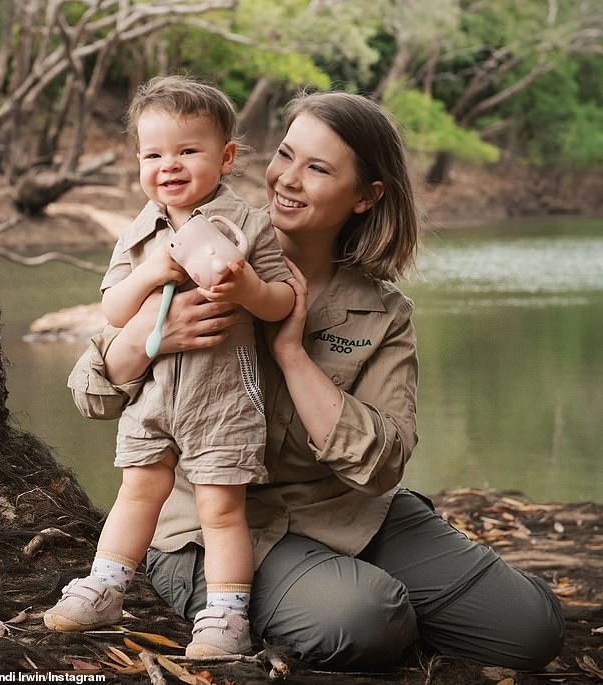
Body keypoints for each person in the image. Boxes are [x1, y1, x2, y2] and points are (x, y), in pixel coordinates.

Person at [63, 90, 564, 672]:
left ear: (366, 196)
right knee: (366, 618)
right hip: (213, 525)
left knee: (531, 630)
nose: (287, 180)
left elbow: (383, 462)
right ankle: (296, 600)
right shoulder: (214, 249)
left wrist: (292, 353)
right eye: (285, 154)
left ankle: (352, 592)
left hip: (346, 511)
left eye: (318, 168)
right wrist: (152, 334)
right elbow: (91, 394)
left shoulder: (383, 313)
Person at [43, 76, 295, 658]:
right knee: (137, 490)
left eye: (187, 151)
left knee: (220, 506)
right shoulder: (139, 233)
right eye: (154, 154)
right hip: (151, 395)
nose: (169, 166)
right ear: (138, 162)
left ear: (226, 157)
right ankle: (107, 584)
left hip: (223, 395)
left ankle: (226, 615)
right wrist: (153, 271)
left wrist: (247, 286)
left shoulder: (249, 225)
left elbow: (281, 301)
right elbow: (111, 307)